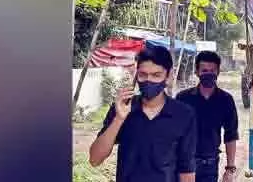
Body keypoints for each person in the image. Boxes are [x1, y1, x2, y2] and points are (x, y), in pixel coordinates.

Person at [89, 45, 197, 182]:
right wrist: (119, 119)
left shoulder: (184, 114)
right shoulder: (123, 109)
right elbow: (95, 159)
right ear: (136, 75)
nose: (148, 80)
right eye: (143, 74)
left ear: (169, 76)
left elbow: (186, 169)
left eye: (156, 75)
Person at [176, 51, 239, 182]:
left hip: (209, 166)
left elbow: (231, 135)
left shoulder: (226, 100)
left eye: (212, 70)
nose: (208, 74)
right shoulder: (183, 98)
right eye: (204, 70)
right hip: (183, 164)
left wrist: (230, 169)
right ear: (197, 72)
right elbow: (173, 133)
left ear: (218, 72)